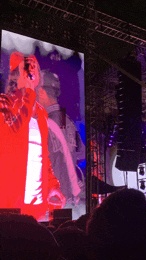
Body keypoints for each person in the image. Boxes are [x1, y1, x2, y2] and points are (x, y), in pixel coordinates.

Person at [0, 51, 65, 221]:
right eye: (27, 68)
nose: (32, 72)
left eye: (35, 67)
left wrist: (52, 186)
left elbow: (44, 157)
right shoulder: (3, 102)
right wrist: (28, 92)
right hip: (11, 205)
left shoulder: (42, 113)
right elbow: (14, 130)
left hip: (37, 206)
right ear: (15, 74)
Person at [37, 69, 85, 207]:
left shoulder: (42, 122)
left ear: (41, 92)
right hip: (72, 197)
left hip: (53, 198)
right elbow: (81, 153)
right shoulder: (66, 119)